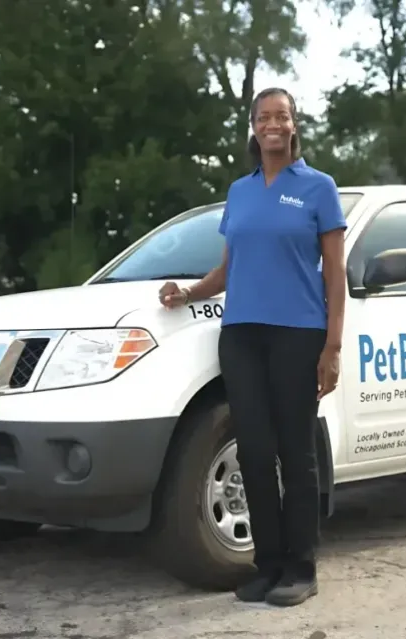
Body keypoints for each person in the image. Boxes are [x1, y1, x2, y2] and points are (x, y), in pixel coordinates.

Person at [158, 87, 346, 607]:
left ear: (293, 124)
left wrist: (332, 345)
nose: (272, 124)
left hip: (297, 334)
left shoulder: (318, 188)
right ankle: (267, 565)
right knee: (256, 455)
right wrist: (188, 292)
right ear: (253, 126)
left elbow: (334, 274)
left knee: (296, 452)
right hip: (240, 334)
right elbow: (228, 268)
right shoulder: (240, 192)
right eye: (264, 117)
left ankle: (301, 567)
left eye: (281, 116)